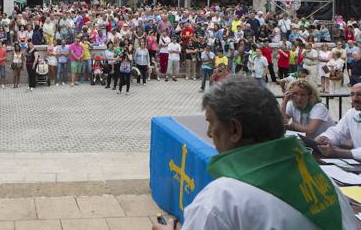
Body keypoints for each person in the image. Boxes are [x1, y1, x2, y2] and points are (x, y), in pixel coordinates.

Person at [153, 77, 356, 230]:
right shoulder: (322, 180)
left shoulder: (220, 200)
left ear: (234, 130)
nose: (208, 133)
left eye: (211, 123)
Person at [316, 83, 361, 159]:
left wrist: (339, 153)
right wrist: (325, 138)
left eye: (359, 94)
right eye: (352, 94)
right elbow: (337, 132)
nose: (355, 98)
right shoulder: (352, 113)